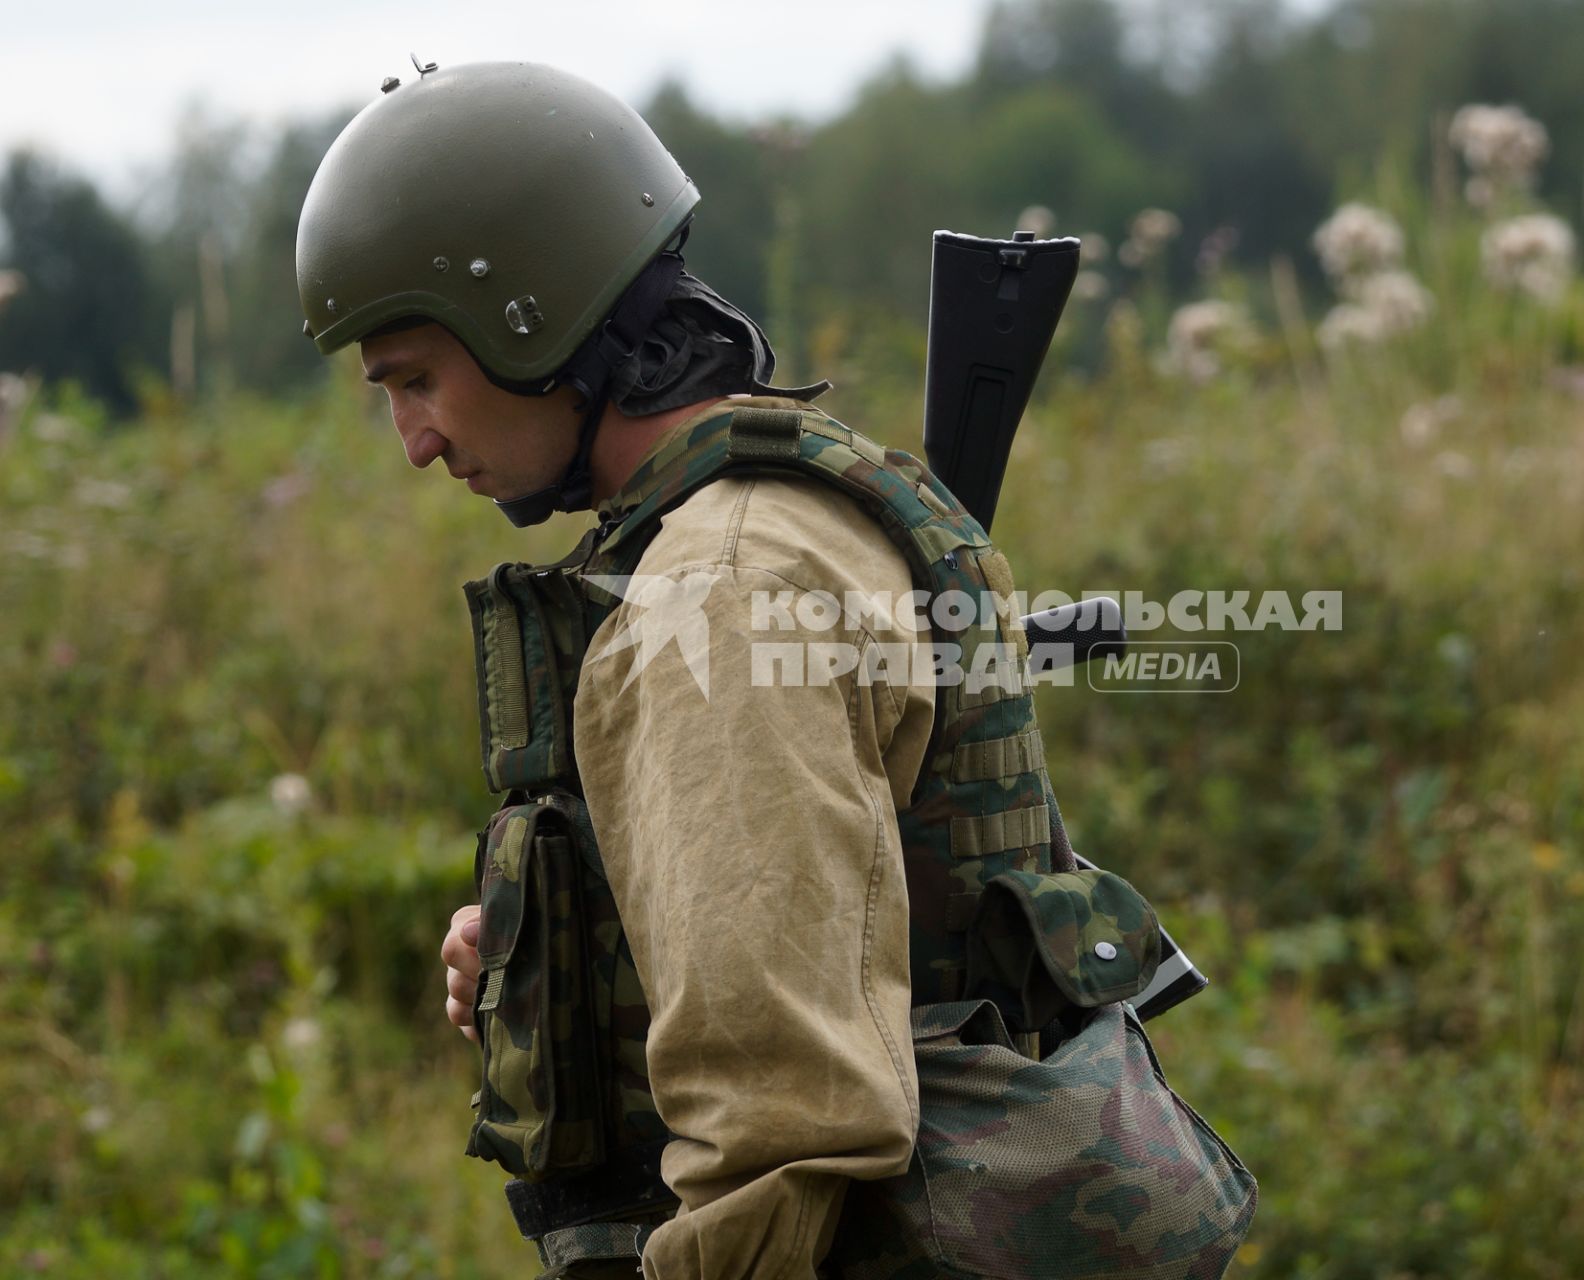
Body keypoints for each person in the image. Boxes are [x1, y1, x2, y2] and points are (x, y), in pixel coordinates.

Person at [299, 59, 1252, 1280]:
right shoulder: (789, 508)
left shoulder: (719, 590)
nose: (416, 441)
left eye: (418, 379)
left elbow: (784, 1121)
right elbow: (849, 896)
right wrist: (577, 937)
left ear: (527, 316)